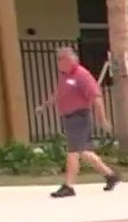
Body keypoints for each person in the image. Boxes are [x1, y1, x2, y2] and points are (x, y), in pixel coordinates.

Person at [38, 47, 123, 198]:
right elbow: (59, 92)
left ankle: (68, 186)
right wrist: (45, 106)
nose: (58, 64)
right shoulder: (65, 75)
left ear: (68, 60)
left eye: (60, 61)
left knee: (73, 152)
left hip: (79, 117)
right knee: (84, 152)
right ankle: (111, 175)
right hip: (68, 117)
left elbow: (96, 97)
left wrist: (102, 119)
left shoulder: (82, 75)